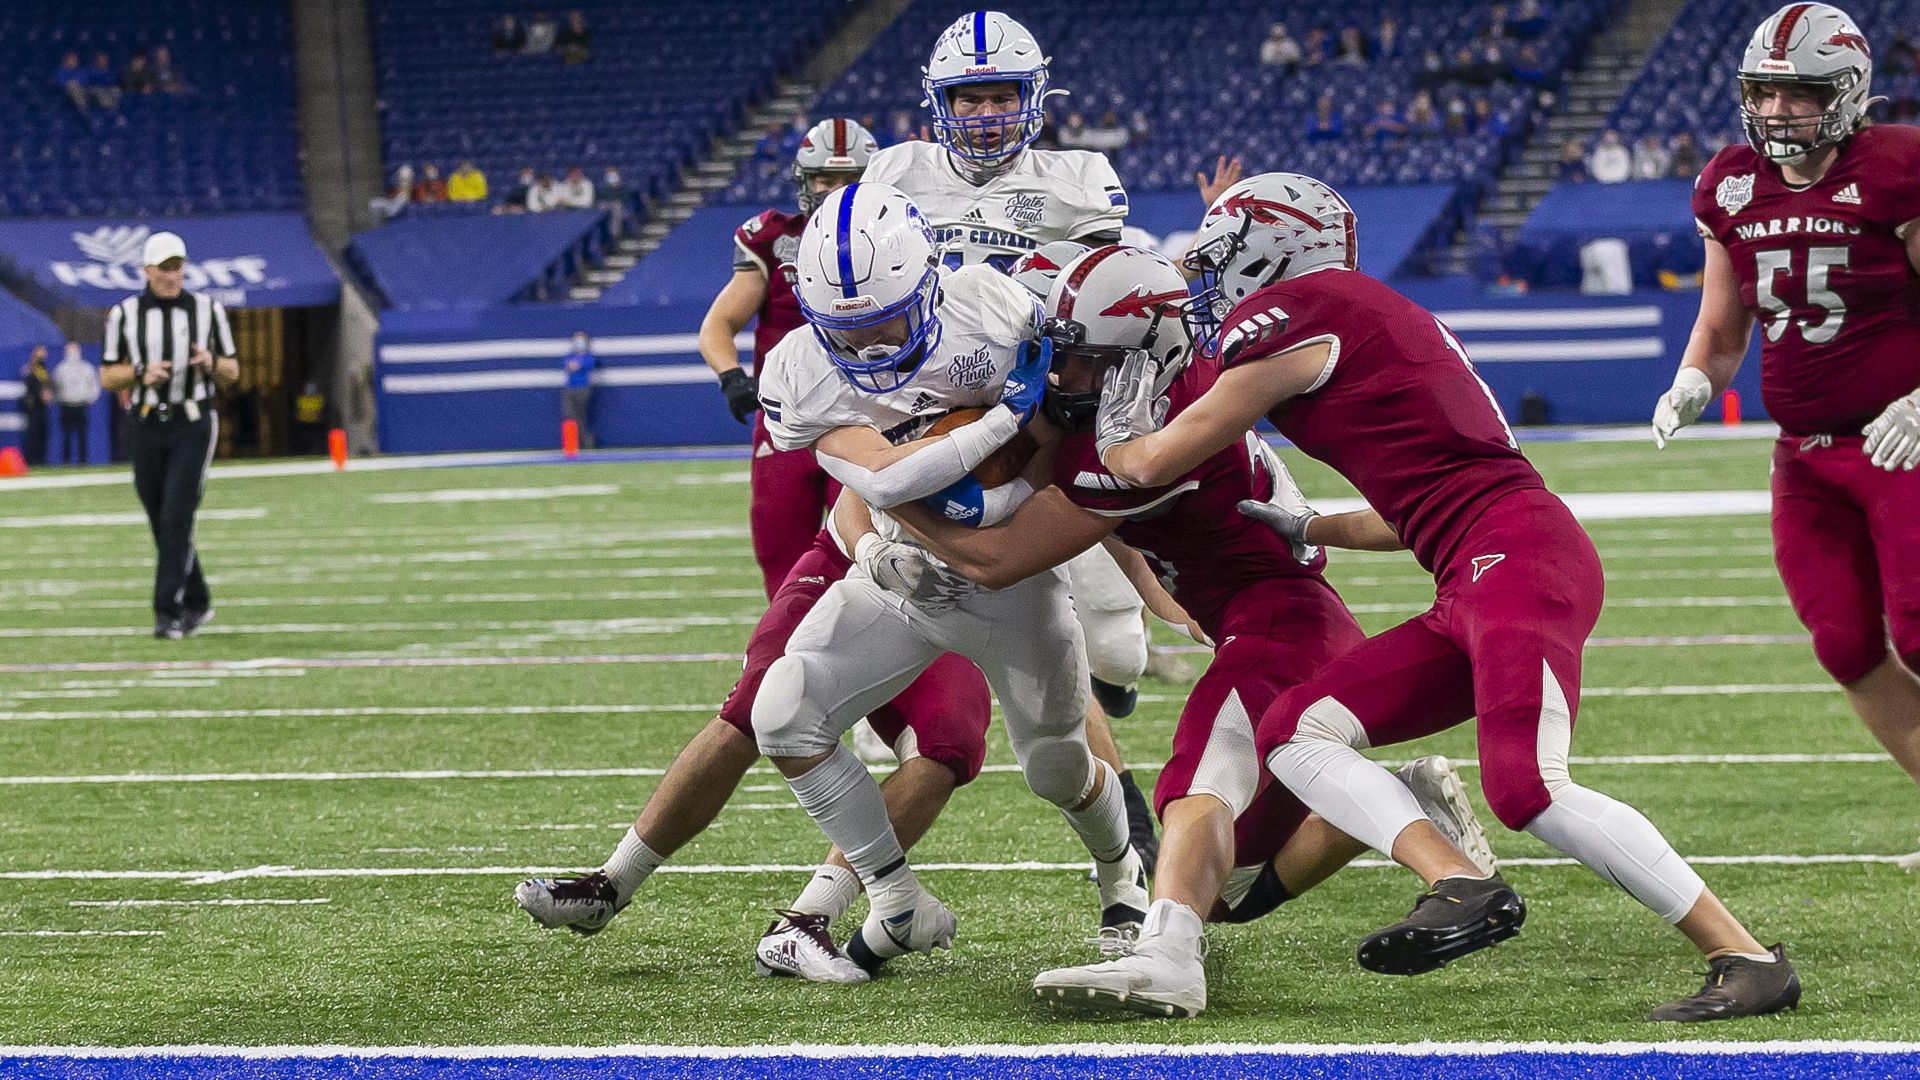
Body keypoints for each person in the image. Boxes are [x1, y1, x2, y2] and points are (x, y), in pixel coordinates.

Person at [1097, 171, 1801, 1022]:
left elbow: (1150, 464)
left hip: (1514, 558)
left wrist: (1113, 420)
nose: (1215, 283)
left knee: (1528, 789)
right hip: (1481, 563)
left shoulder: (1299, 312)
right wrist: (1309, 528)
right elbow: (1420, 509)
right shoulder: (1357, 314)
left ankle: (1747, 957)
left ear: (1274, 252)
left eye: (1225, 257)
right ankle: (1458, 878)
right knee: (1297, 727)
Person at [874, 244, 1497, 1017]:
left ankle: (1168, 959)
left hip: (1280, 621)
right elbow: (1113, 509)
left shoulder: (1148, 443)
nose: (1068, 380)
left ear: (1144, 359)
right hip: (1279, 614)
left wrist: (890, 493)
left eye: (1090, 362)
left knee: (1196, 779)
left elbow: (999, 559)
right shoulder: (1170, 388)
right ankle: (1406, 799)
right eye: (1064, 357)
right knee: (1225, 887)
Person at [750, 182, 1149, 972]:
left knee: (1056, 767)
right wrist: (1003, 419)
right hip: (903, 573)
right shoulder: (801, 372)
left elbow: (1051, 454)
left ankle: (1123, 877)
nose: (866, 351)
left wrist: (1025, 443)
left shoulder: (993, 309)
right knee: (783, 714)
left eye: (883, 324)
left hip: (1013, 583)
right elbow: (886, 481)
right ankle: (897, 898)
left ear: (929, 279)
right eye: (845, 330)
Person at [858, 10, 1165, 864]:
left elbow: (1110, 296)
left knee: (1114, 642)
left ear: (1034, 98)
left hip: (1046, 425)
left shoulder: (1078, 180)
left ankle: (1111, 699)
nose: (986, 114)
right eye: (969, 97)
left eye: (1001, 96)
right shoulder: (897, 172)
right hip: (937, 420)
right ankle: (1121, 815)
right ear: (938, 102)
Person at [1653, 3, 1920, 869]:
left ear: (1845, 94)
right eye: (1763, 93)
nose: (1775, 112)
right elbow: (1724, 327)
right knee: (1846, 645)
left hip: (1902, 441)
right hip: (1803, 456)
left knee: (1919, 631)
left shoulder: (1898, 168)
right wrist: (1694, 379)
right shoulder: (1730, 183)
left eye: (1796, 94)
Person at [699, 118, 876, 596]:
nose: (836, 189)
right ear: (804, 180)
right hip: (788, 421)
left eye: (850, 178)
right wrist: (732, 377)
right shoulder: (776, 240)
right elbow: (718, 324)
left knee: (872, 559)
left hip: (868, 417)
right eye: (825, 178)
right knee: (783, 561)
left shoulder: (894, 240)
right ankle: (791, 659)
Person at [98, 232, 239, 640]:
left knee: (177, 513)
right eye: (164, 267)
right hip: (144, 421)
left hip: (192, 422)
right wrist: (141, 372)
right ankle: (198, 598)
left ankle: (167, 611)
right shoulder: (124, 314)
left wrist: (210, 362)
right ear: (147, 271)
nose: (172, 275)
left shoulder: (207, 309)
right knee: (159, 516)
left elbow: (233, 371)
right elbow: (107, 374)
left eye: (178, 267)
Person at [52, 342, 99, 465]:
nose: (72, 354)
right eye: (70, 351)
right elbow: (55, 387)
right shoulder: (60, 369)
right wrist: (59, 399)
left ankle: (83, 461)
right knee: (66, 435)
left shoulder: (87, 368)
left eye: (74, 351)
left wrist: (89, 399)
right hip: (66, 405)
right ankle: (66, 461)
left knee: (82, 435)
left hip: (81, 405)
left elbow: (94, 385)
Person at [560, 331, 596, 448]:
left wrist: (576, 365)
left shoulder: (589, 357)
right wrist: (574, 366)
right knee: (569, 414)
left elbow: (580, 366)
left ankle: (585, 441)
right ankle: (577, 441)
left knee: (580, 416)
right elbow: (568, 366)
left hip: (583, 389)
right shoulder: (569, 356)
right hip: (569, 388)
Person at [18, 346, 52, 467]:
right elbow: (30, 385)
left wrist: (48, 393)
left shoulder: (44, 369)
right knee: (32, 434)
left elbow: (48, 383)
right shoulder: (31, 369)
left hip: (43, 407)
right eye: (41, 352)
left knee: (43, 433)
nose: (43, 354)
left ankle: (41, 459)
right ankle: (30, 460)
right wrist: (40, 394)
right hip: (33, 407)